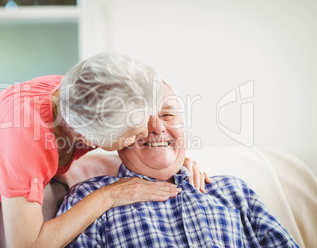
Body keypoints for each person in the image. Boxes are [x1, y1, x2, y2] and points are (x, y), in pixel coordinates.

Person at [0, 52, 207, 248]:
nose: (146, 130)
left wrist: (173, 160)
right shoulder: (24, 140)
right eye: (136, 127)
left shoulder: (82, 96)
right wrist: (110, 195)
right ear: (90, 136)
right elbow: (27, 245)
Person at [57, 80, 299, 248]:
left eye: (168, 114)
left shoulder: (234, 192)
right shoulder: (88, 198)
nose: (157, 127)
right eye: (139, 118)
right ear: (117, 131)